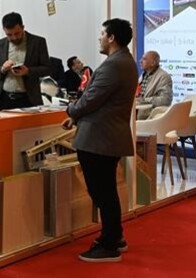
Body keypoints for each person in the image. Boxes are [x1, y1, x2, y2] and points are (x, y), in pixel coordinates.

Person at [62, 18, 137, 263]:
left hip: (99, 139)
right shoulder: (125, 61)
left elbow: (91, 99)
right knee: (106, 190)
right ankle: (115, 236)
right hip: (106, 136)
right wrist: (76, 116)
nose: (99, 38)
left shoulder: (113, 65)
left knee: (102, 191)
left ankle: (109, 243)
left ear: (112, 38)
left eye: (102, 34)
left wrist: (71, 110)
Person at [0, 12, 51, 110]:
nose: (14, 37)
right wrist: (2, 69)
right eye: (9, 34)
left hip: (29, 99)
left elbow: (47, 69)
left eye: (17, 33)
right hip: (4, 99)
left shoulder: (38, 42)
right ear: (4, 30)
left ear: (23, 27)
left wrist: (28, 71)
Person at [136, 50, 173, 119]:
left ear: (153, 63)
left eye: (144, 59)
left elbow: (165, 100)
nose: (140, 61)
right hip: (138, 112)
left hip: (150, 116)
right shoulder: (144, 74)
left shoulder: (164, 77)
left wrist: (144, 100)